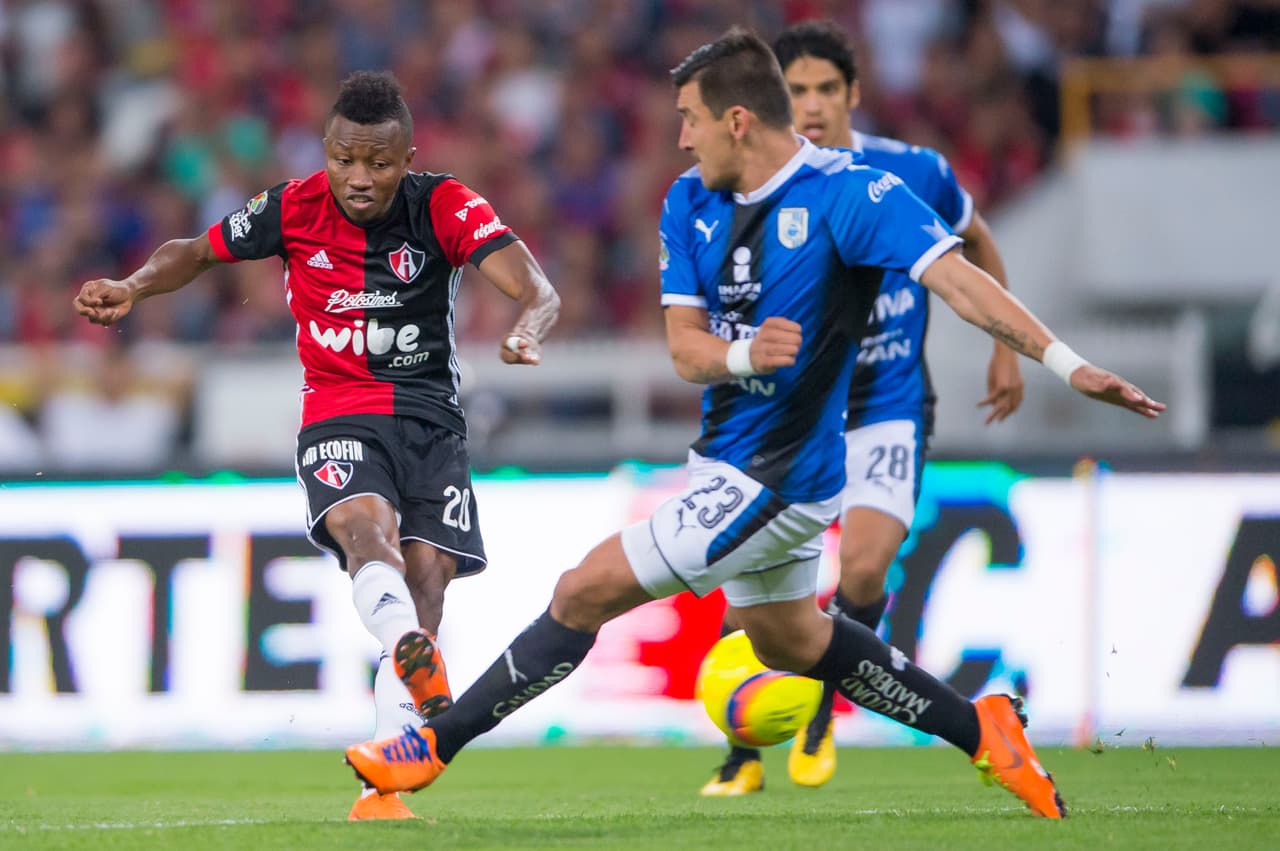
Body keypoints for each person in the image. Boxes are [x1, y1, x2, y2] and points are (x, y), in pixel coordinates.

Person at [344, 29, 1163, 820]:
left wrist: (1065, 362)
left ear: (737, 120)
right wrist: (744, 355)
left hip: (782, 476)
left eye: (690, 119)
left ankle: (433, 746)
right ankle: (984, 730)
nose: (680, 138)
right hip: (724, 462)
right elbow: (685, 349)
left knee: (582, 589)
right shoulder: (688, 201)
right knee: (791, 640)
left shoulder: (853, 193)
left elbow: (960, 281)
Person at [73, 71, 560, 821]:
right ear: (325, 151)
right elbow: (195, 252)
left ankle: (383, 783)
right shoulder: (290, 206)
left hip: (430, 419)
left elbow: (534, 286)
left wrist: (528, 326)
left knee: (428, 580)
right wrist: (133, 286)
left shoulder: (445, 205)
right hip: (339, 410)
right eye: (343, 159)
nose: (358, 177)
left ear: (407, 159)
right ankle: (406, 649)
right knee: (367, 532)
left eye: (378, 162)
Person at [702, 19, 1026, 797]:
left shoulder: (914, 171)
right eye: (796, 91)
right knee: (751, 588)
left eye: (826, 88)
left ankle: (819, 715)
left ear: (853, 93)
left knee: (867, 565)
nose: (812, 105)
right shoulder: (752, 187)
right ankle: (743, 754)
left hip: (887, 399)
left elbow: (978, 239)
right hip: (796, 412)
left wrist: (1006, 347)